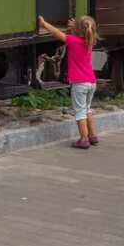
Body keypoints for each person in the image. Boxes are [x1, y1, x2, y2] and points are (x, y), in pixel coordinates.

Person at [37, 15, 100, 148]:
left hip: (80, 83)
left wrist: (44, 23)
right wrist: (76, 27)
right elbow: (82, 31)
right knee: (87, 109)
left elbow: (56, 33)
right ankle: (93, 136)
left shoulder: (72, 40)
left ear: (76, 30)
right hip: (91, 82)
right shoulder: (91, 40)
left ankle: (83, 139)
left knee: (80, 112)